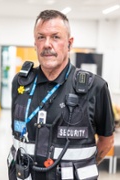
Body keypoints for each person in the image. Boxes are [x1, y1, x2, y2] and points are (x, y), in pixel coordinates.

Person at [7, 10, 114, 180]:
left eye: (56, 37)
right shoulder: (20, 83)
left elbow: (106, 141)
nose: (47, 44)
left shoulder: (95, 87)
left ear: (69, 43)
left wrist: (81, 168)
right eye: (41, 37)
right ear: (35, 43)